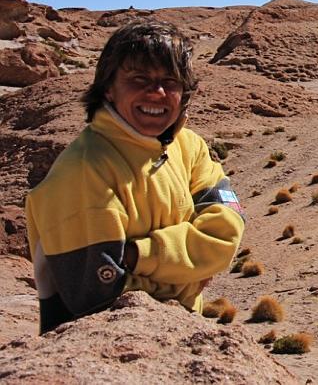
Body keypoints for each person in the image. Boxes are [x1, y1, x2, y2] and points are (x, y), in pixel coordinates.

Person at [25, 22, 245, 333]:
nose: (156, 93)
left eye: (170, 81)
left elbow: (225, 234)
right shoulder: (83, 171)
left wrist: (135, 255)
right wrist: (188, 277)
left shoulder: (189, 146)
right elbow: (95, 295)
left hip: (181, 335)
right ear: (108, 88)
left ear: (184, 93)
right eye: (138, 79)